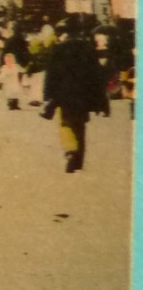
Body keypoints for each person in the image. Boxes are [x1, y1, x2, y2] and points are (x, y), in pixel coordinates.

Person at [43, 15, 110, 173]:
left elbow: (51, 74)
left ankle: (71, 152)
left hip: (64, 93)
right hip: (83, 94)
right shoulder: (88, 48)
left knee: (66, 123)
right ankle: (79, 159)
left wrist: (48, 96)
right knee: (80, 126)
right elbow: (97, 74)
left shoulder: (59, 48)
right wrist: (102, 100)